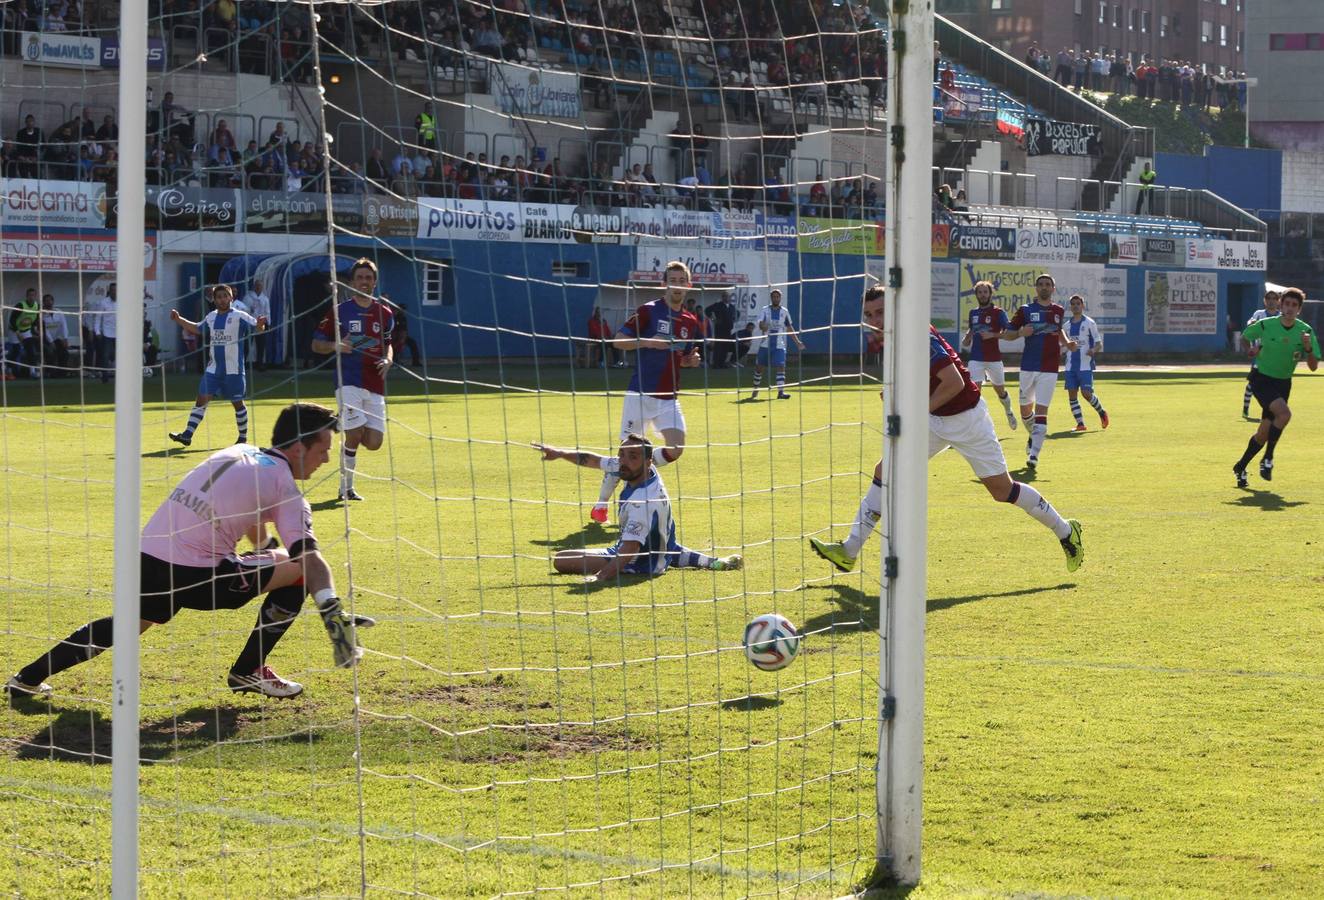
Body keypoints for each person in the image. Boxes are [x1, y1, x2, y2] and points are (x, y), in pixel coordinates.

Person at [6, 403, 371, 701]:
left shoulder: (239, 452)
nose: (325, 459)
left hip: (147, 557)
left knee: (131, 623)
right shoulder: (286, 488)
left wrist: (268, 554)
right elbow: (311, 561)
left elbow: (245, 517)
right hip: (200, 576)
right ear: (298, 448)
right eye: (323, 449)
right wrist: (333, 616)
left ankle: (27, 678)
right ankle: (247, 671)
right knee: (301, 572)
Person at [808, 287, 1083, 574]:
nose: (875, 319)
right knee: (885, 470)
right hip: (934, 418)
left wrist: (915, 411)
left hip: (967, 420)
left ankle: (1066, 531)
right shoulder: (891, 336)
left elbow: (954, 383)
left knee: (1003, 491)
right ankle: (849, 550)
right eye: (869, 314)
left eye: (880, 312)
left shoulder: (917, 334)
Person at [590, 261, 703, 524]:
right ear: (664, 284)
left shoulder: (690, 320)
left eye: (681, 280)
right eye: (671, 279)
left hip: (668, 398)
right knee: (626, 455)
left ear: (688, 285)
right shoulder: (648, 311)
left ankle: (639, 471)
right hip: (640, 395)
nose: (676, 284)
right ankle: (602, 504)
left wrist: (690, 361)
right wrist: (647, 342)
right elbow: (618, 340)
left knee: (676, 448)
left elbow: (684, 356)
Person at [536, 434, 741, 579]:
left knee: (561, 560)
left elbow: (629, 549)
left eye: (632, 457)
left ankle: (658, 562)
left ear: (648, 462)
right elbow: (593, 460)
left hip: (638, 560)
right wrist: (560, 453)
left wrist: (602, 577)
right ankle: (712, 562)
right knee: (665, 549)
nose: (623, 462)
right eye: (621, 455)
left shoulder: (642, 502)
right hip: (663, 545)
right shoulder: (634, 469)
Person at [311, 258, 394, 501]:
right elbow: (316, 344)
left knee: (374, 442)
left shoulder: (385, 313)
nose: (364, 282)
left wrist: (388, 360)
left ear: (375, 282)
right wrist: (335, 346)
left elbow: (388, 344)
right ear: (352, 281)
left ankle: (340, 421)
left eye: (368, 278)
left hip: (375, 384)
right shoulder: (339, 312)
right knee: (355, 433)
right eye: (360, 277)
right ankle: (345, 488)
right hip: (347, 380)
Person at [1232, 287, 1320, 487]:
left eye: (1294, 305)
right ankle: (1268, 459)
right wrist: (1250, 350)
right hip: (1261, 379)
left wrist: (1307, 349)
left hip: (1283, 384)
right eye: (1286, 304)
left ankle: (1240, 466)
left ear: (1299, 309)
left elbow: (1314, 366)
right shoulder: (1265, 325)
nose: (1289, 308)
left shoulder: (1305, 331)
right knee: (1284, 415)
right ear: (1280, 305)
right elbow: (1245, 338)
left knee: (1263, 433)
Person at [168, 284, 267, 447]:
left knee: (237, 403)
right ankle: (187, 435)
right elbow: (197, 329)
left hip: (234, 369)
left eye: (225, 296)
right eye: (218, 297)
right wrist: (179, 319)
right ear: (214, 300)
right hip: (213, 369)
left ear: (231, 298)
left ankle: (243, 437)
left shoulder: (240, 316)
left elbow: (259, 328)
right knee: (201, 400)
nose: (222, 299)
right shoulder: (211, 317)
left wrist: (261, 324)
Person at [1009, 274, 1077, 470]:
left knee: (1042, 411)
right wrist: (1021, 333)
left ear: (1053, 288)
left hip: (1049, 367)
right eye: (1041, 284)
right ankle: (1033, 436)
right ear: (1036, 288)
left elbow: (1058, 330)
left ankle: (1034, 456)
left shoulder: (1058, 310)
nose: (1044, 287)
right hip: (1028, 366)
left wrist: (1066, 342)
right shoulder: (1025, 310)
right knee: (1024, 411)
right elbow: (1008, 333)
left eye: (1048, 284)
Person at [959, 279, 1018, 430]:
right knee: (974, 392)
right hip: (976, 359)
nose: (983, 294)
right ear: (976, 294)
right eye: (980, 292)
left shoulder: (998, 313)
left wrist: (993, 335)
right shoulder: (973, 313)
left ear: (990, 294)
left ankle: (1008, 411)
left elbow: (1008, 333)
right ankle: (977, 426)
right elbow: (971, 330)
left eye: (985, 292)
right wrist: (967, 337)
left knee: (1000, 391)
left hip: (993, 359)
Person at [1063, 295, 1109, 431]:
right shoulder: (1066, 326)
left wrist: (1093, 350)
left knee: (1086, 393)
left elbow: (1099, 343)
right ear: (1070, 307)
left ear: (1083, 306)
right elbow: (1064, 344)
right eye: (1073, 304)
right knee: (1072, 394)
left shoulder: (1089, 323)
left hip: (1085, 365)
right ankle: (1080, 424)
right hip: (1070, 366)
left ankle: (1102, 412)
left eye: (1078, 303)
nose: (1076, 306)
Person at [749, 289, 804, 400]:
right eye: (774, 297)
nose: (776, 298)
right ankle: (755, 388)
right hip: (765, 344)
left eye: (777, 297)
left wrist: (797, 342)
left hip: (779, 344)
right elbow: (760, 324)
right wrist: (762, 326)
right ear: (771, 298)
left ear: (780, 298)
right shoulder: (765, 310)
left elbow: (789, 328)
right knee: (759, 368)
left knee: (781, 366)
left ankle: (780, 392)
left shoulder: (784, 311)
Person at [1240, 289, 1280, 418]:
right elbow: (1250, 324)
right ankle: (1245, 409)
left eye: (1274, 298)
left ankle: (1272, 410)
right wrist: (1251, 324)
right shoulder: (1259, 314)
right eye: (1269, 298)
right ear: (1265, 300)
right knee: (1253, 382)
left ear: (1278, 301)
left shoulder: (1281, 317)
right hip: (1260, 355)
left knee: (1275, 383)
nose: (1271, 301)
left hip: (1275, 356)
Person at [9, 287, 41, 377]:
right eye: (30, 295)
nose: (32, 297)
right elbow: (12, 319)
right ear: (26, 296)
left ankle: (33, 371)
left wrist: (35, 329)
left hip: (26, 330)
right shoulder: (20, 305)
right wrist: (18, 333)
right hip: (14, 330)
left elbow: (36, 318)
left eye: (33, 295)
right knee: (16, 350)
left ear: (36, 296)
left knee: (30, 349)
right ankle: (9, 369)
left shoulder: (37, 306)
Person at [240, 278, 272, 370]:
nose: (258, 287)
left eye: (260, 286)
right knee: (247, 344)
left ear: (262, 287)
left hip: (260, 322)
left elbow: (267, 312)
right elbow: (243, 310)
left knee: (261, 344)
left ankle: (260, 363)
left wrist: (268, 323)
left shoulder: (265, 299)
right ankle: (243, 363)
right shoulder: (248, 297)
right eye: (257, 285)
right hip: (250, 322)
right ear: (254, 286)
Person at [90, 282, 117, 383]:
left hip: (121, 334)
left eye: (116, 290)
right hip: (107, 333)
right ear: (109, 291)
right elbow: (98, 318)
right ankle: (105, 377)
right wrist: (97, 331)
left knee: (117, 356)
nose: (115, 292)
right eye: (113, 290)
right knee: (105, 355)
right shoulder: (103, 303)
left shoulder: (124, 302)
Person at [39, 294, 71, 376]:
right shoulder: (41, 314)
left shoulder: (59, 312)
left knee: (64, 352)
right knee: (50, 352)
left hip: (57, 338)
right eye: (46, 301)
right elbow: (44, 330)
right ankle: (50, 372)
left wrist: (65, 339)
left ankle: (63, 372)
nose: (48, 302)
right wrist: (50, 341)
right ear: (43, 302)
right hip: (45, 339)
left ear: (53, 301)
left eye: (50, 300)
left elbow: (64, 326)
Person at [705, 293, 738, 369]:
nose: (727, 298)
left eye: (728, 297)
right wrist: (713, 318)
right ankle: (716, 363)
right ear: (722, 297)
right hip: (720, 329)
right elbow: (707, 310)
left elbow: (737, 314)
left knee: (725, 347)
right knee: (718, 346)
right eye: (725, 296)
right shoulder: (718, 305)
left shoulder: (732, 307)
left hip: (728, 329)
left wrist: (733, 320)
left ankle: (722, 363)